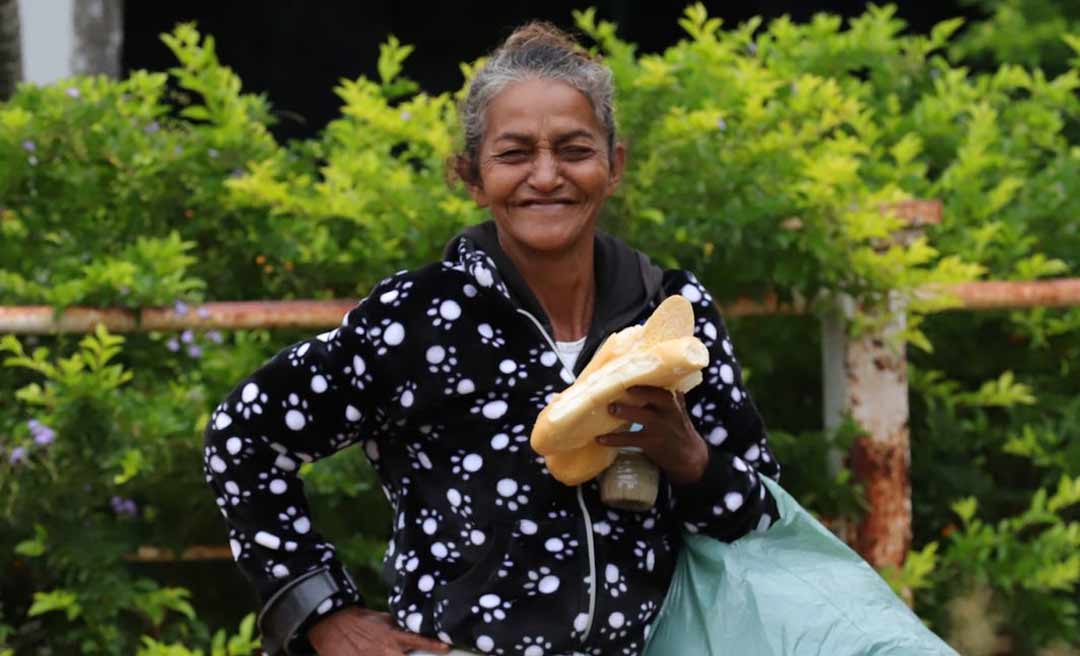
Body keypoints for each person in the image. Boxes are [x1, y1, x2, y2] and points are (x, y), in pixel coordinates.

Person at [203, 21, 781, 656]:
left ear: (614, 165)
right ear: (472, 176)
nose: (545, 175)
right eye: (513, 154)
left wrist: (692, 459)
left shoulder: (671, 312)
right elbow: (243, 435)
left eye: (574, 149)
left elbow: (761, 518)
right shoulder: (416, 320)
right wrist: (322, 615)